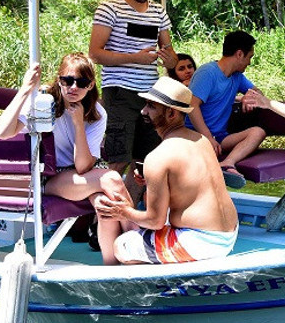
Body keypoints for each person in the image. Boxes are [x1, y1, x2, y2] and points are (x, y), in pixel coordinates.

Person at [0, 53, 130, 264]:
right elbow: (2, 132)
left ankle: (112, 268)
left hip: (83, 175)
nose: (73, 87)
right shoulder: (43, 104)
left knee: (105, 205)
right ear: (59, 81)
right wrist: (25, 89)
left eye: (81, 82)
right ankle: (141, 237)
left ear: (91, 85)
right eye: (67, 80)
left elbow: (84, 166)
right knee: (112, 179)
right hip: (52, 177)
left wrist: (79, 123)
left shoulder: (97, 113)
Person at [94, 77, 238, 265]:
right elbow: (188, 183)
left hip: (200, 242)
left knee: (122, 246)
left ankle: (148, 288)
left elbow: (155, 221)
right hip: (228, 234)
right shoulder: (201, 140)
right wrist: (153, 182)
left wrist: (124, 211)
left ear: (171, 113)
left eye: (151, 106)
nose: (143, 111)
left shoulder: (158, 157)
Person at [88, 0, 177, 202]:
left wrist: (169, 59)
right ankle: (98, 222)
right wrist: (135, 57)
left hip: (151, 94)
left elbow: (171, 56)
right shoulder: (109, 8)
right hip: (120, 91)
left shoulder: (158, 11)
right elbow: (95, 53)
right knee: (118, 158)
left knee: (146, 162)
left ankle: (132, 216)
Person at [186, 30, 266, 188]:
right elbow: (192, 106)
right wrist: (207, 137)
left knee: (258, 132)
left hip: (220, 137)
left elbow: (259, 93)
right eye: (249, 57)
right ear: (239, 54)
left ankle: (228, 163)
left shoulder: (237, 76)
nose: (249, 62)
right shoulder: (207, 73)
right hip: (195, 135)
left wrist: (249, 96)